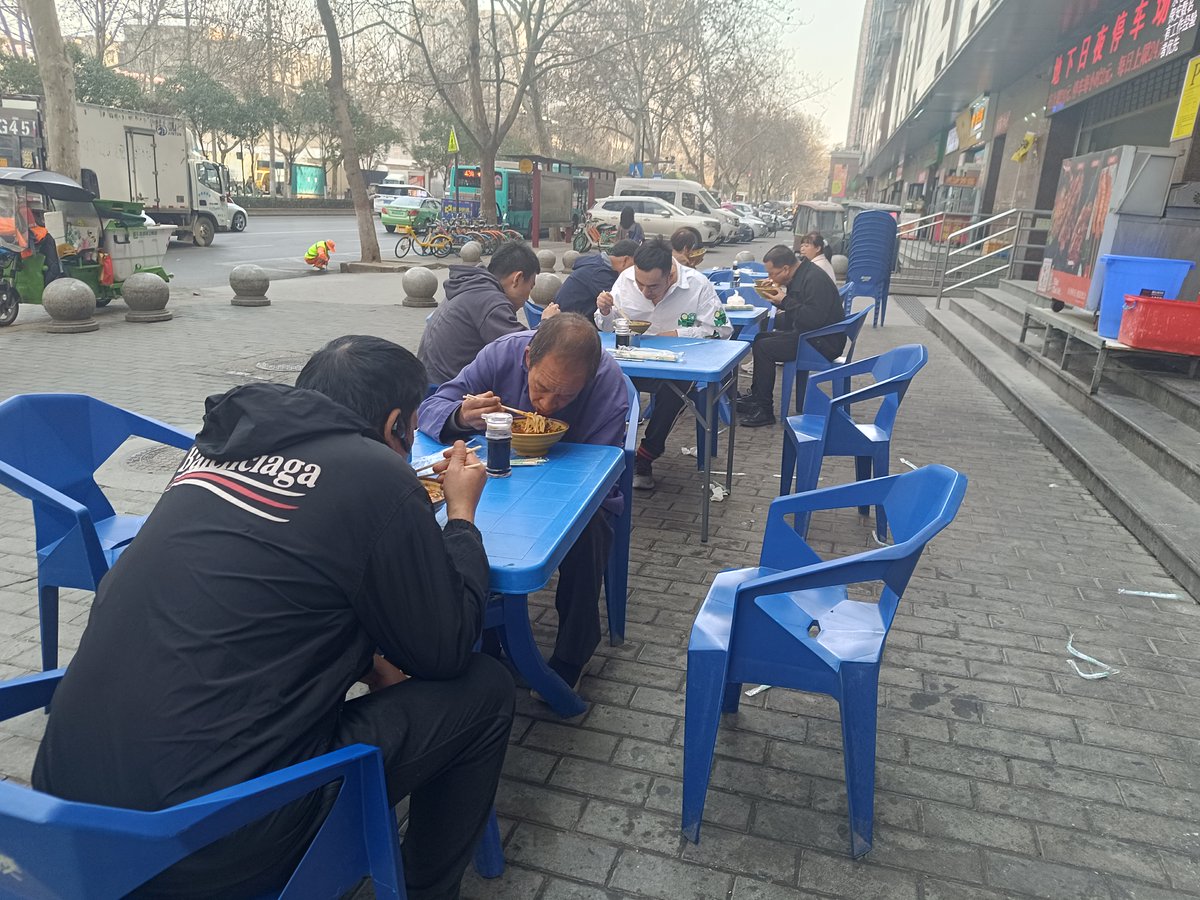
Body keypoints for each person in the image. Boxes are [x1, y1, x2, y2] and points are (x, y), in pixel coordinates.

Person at [32, 336, 515, 900]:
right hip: (207, 846)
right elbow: (447, 648)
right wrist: (461, 516)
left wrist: (366, 654)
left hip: (64, 814)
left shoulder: (211, 452)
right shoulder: (379, 476)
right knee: (484, 687)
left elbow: (264, 593)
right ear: (397, 426)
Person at [419, 315, 629, 694]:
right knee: (457, 522)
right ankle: (488, 638)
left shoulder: (607, 381)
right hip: (496, 479)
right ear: (529, 358)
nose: (547, 406)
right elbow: (434, 405)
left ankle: (573, 652)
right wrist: (460, 415)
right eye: (542, 387)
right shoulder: (502, 354)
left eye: (566, 396)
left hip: (574, 489)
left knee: (589, 530)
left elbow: (600, 466)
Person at [595, 239, 731, 491]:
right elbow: (607, 327)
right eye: (640, 284)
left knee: (675, 389)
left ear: (670, 274)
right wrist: (604, 312)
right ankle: (608, 452)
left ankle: (645, 456)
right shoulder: (625, 280)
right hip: (632, 362)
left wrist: (678, 334)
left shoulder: (697, 285)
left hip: (676, 367)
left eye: (653, 286)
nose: (645, 292)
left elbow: (721, 330)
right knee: (601, 381)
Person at [738, 244, 846, 428]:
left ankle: (765, 410)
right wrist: (776, 299)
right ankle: (757, 397)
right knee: (761, 338)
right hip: (812, 334)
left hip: (822, 342)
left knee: (765, 348)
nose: (770, 278)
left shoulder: (814, 279)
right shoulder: (803, 274)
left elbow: (812, 319)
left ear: (786, 269)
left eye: (773, 274)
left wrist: (784, 300)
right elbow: (801, 311)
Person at [418, 241, 556, 385]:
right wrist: (546, 323)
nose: (528, 296)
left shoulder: (471, 285)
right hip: (451, 390)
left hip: (431, 381)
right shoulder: (491, 301)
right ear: (517, 279)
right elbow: (522, 349)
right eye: (530, 286)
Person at [554, 238, 639, 319]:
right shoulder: (600, 274)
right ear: (625, 260)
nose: (636, 271)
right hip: (569, 321)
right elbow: (620, 304)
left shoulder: (598, 263)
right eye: (635, 266)